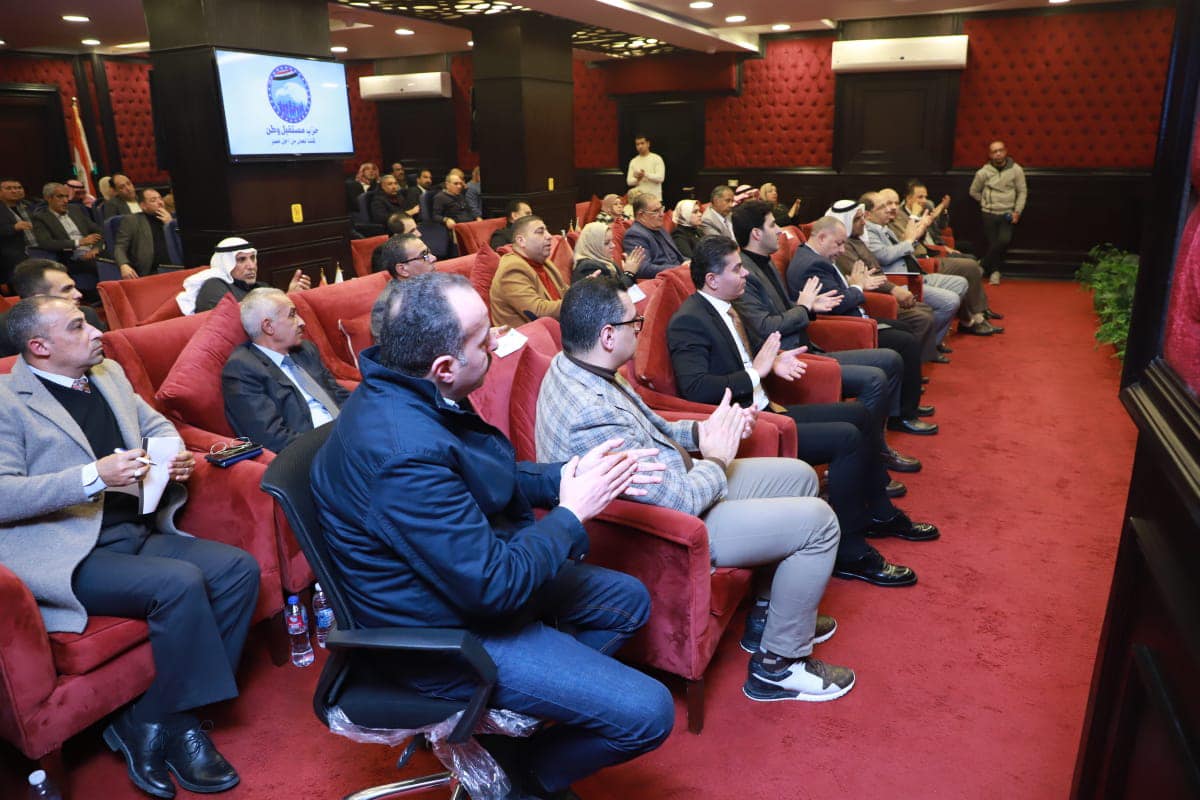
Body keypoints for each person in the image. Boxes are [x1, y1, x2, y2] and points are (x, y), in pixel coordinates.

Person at [310, 272, 674, 799]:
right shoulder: (402, 452)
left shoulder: (411, 388)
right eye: (484, 340)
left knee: (627, 601)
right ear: (444, 366)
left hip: (463, 588)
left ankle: (514, 733)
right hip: (446, 640)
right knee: (650, 712)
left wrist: (567, 475)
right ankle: (524, 777)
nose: (498, 342)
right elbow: (493, 586)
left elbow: (479, 476)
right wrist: (572, 513)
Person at [538, 275, 858, 700]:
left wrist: (706, 431)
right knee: (819, 522)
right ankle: (778, 666)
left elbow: (652, 426)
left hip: (678, 482)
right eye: (634, 322)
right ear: (608, 335)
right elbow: (682, 501)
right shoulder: (590, 413)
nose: (640, 329)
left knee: (798, 475)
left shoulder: (583, 364)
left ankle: (770, 617)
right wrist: (718, 457)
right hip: (669, 525)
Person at [0, 295, 259, 799]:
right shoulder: (8, 402)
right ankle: (181, 730)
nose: (97, 332)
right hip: (72, 554)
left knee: (238, 570)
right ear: (40, 346)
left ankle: (155, 718)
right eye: (78, 326)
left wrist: (175, 454)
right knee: (179, 584)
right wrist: (92, 477)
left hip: (135, 532)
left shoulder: (108, 373)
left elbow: (157, 424)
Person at [668, 235, 932, 586]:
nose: (746, 274)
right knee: (847, 438)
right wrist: (756, 372)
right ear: (712, 280)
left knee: (860, 415)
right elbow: (697, 389)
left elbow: (746, 357)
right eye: (737, 269)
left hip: (770, 407)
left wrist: (774, 361)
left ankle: (879, 513)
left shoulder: (727, 306)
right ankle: (850, 552)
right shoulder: (689, 320)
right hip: (752, 423)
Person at [729, 200, 937, 437]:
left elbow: (781, 310)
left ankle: (883, 432)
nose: (779, 230)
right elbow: (767, 326)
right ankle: (873, 443)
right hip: (789, 359)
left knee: (891, 358)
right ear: (756, 233)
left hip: (806, 347)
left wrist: (808, 306)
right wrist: (804, 307)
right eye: (773, 225)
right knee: (877, 375)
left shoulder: (766, 262)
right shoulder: (746, 273)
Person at [789, 215, 937, 372]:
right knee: (906, 342)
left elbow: (835, 293)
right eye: (839, 244)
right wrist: (857, 286)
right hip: (845, 328)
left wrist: (856, 284)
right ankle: (909, 387)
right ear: (822, 238)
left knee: (905, 328)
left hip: (854, 320)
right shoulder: (813, 264)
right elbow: (838, 303)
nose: (842, 250)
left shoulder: (815, 256)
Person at [221, 288, 349, 453]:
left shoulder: (305, 350)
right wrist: (334, 444)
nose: (302, 322)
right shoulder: (242, 369)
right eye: (292, 315)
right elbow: (272, 438)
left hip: (348, 434)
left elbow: (337, 393)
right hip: (315, 451)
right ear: (268, 326)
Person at [827, 200, 942, 361]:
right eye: (858, 219)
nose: (864, 222)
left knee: (925, 310)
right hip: (872, 296)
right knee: (921, 318)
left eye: (863, 217)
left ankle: (921, 360)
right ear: (845, 222)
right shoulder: (843, 247)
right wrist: (893, 289)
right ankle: (917, 362)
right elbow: (864, 277)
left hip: (881, 287)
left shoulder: (857, 239)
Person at [879, 188, 999, 336]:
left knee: (969, 266)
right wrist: (917, 222)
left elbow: (936, 231)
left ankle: (976, 314)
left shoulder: (905, 216)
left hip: (926, 255)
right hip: (920, 262)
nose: (892, 208)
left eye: (896, 203)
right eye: (888, 204)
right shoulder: (893, 221)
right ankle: (973, 318)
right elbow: (903, 246)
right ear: (909, 199)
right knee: (970, 266)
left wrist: (936, 216)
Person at [860, 191, 967, 350]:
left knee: (961, 283)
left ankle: (933, 341)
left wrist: (915, 237)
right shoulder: (868, 231)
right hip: (901, 280)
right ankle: (930, 345)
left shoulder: (883, 227)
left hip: (915, 274)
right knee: (950, 301)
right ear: (868, 214)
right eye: (882, 207)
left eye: (890, 204)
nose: (889, 209)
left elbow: (902, 248)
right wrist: (910, 240)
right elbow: (884, 256)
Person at [0, 259, 106, 357]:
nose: (79, 294)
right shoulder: (4, 331)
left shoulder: (87, 315)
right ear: (40, 299)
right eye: (67, 289)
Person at [177, 237, 310, 315]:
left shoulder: (262, 286)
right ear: (225, 263)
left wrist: (293, 297)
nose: (251, 266)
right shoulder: (214, 287)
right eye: (241, 260)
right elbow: (242, 323)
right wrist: (286, 299)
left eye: (252, 258)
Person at [489, 215, 568, 328]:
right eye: (540, 232)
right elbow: (537, 312)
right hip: (530, 336)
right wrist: (577, 301)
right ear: (521, 241)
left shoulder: (544, 262)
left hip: (557, 328)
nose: (549, 236)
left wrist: (585, 289)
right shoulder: (512, 269)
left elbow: (565, 291)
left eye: (547, 231)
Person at [969, 140, 1027, 285]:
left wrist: (1017, 211)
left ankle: (982, 264)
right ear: (990, 155)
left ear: (1005, 152)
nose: (998, 154)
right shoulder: (983, 172)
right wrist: (985, 201)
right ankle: (995, 272)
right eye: (994, 151)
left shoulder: (1016, 170)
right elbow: (973, 191)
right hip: (988, 213)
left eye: (1000, 150)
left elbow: (1022, 192)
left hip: (1007, 213)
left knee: (1003, 241)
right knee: (993, 243)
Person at [114, 188, 175, 279]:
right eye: (153, 200)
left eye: (160, 198)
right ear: (143, 206)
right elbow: (120, 247)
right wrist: (123, 265)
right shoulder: (132, 221)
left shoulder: (171, 219)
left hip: (176, 267)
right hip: (151, 271)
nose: (160, 202)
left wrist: (170, 225)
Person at [622, 193, 685, 278]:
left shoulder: (659, 227)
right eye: (655, 211)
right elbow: (643, 269)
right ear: (641, 215)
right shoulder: (634, 235)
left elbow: (678, 257)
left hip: (679, 273)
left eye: (661, 209)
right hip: (664, 279)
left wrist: (690, 264)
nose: (662, 214)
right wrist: (679, 269)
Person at [571, 220, 643, 286]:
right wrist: (629, 273)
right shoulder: (588, 267)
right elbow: (613, 292)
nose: (613, 245)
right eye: (606, 243)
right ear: (592, 245)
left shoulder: (605, 261)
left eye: (612, 241)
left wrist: (630, 271)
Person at [0, 177, 37, 287]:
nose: (15, 191)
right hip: (12, 254)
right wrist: (13, 228)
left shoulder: (31, 206)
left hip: (40, 249)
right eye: (9, 188)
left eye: (18, 188)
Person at [625, 134, 665, 201]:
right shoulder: (633, 161)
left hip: (655, 199)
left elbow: (660, 178)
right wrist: (638, 179)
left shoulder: (657, 158)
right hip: (639, 200)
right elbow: (629, 182)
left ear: (648, 144)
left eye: (642, 143)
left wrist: (645, 174)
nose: (640, 146)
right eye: (637, 144)